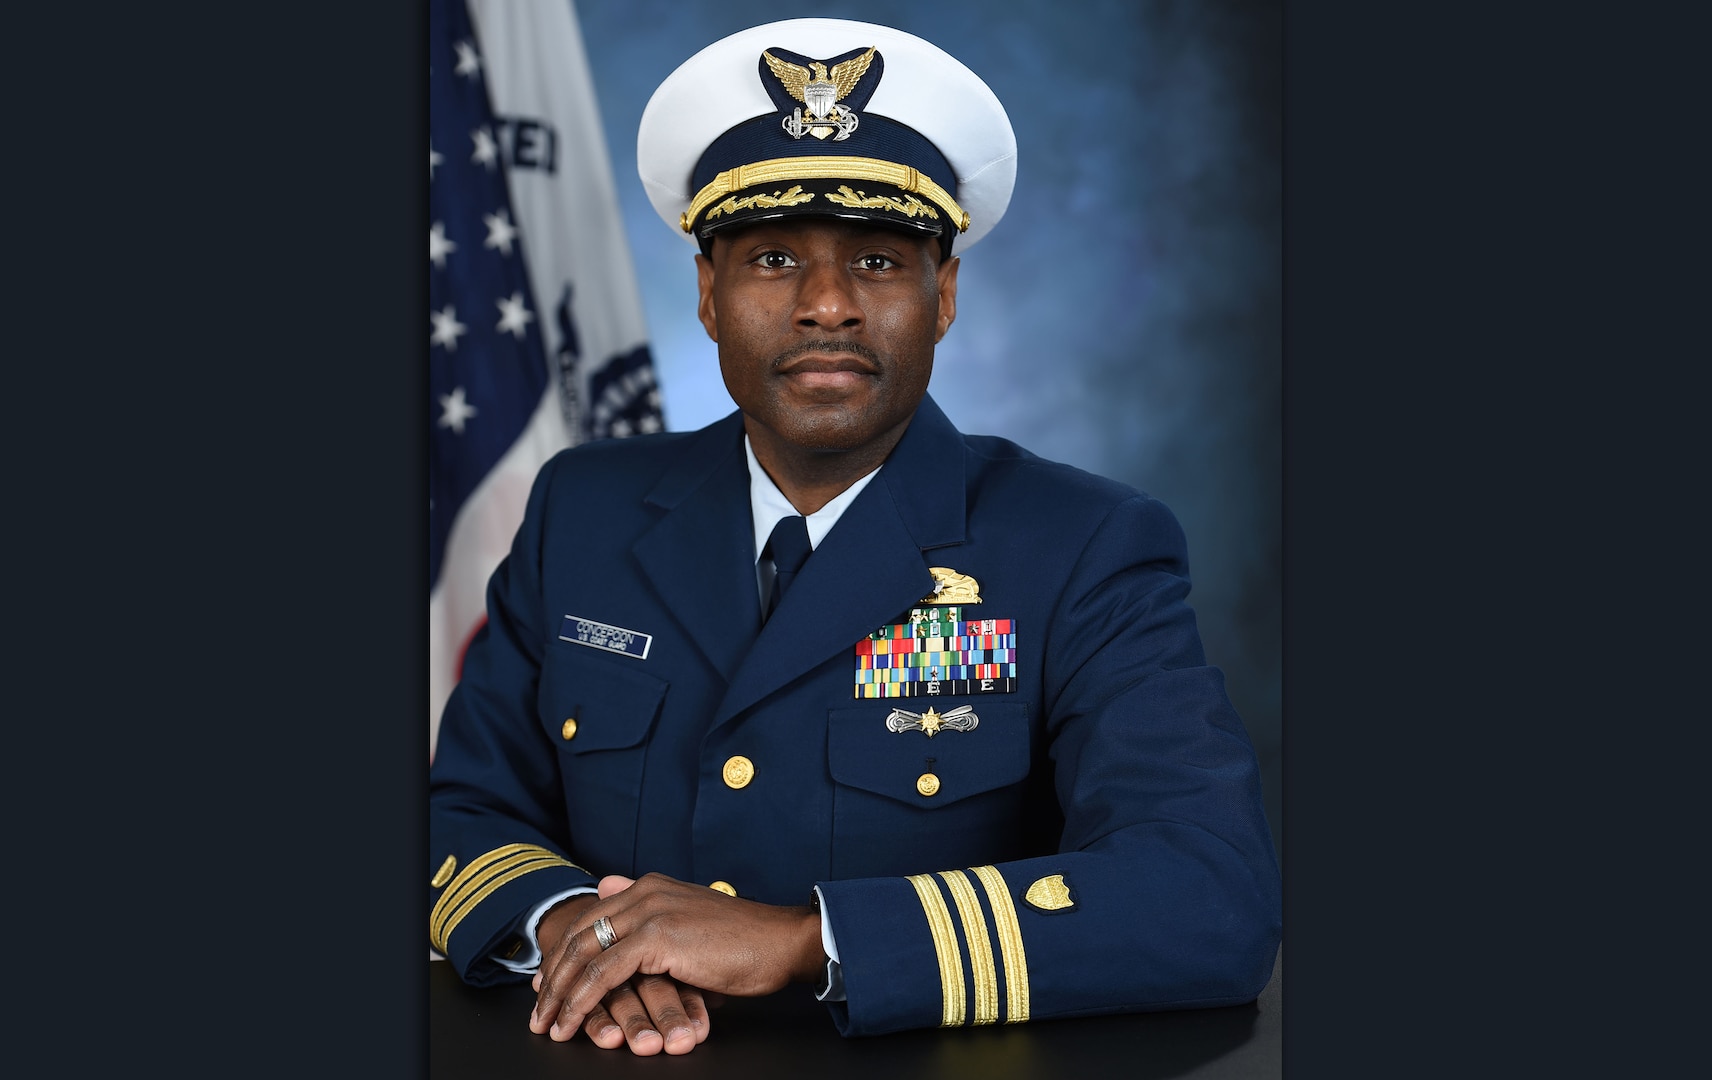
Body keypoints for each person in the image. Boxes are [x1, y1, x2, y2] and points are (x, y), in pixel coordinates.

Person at [428, 17, 1281, 1055]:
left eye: (878, 260)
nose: (825, 306)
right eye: (773, 257)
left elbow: (1205, 894)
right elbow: (458, 809)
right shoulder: (581, 510)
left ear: (944, 296)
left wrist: (804, 942)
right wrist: (578, 931)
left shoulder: (1083, 547)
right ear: (705, 294)